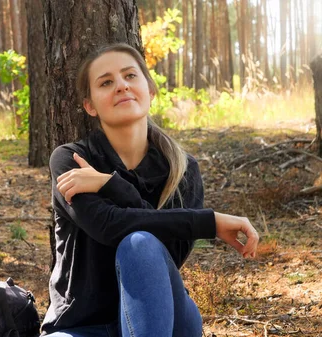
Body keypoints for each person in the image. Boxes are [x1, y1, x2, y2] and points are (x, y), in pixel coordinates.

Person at [40, 43, 259, 337]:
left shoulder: (182, 169)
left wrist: (109, 183)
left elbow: (166, 253)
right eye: (106, 82)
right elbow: (108, 226)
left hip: (165, 322)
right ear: (90, 105)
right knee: (137, 239)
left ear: (150, 91)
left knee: (141, 245)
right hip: (83, 327)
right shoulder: (71, 160)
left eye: (130, 76)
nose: (121, 86)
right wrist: (211, 223)